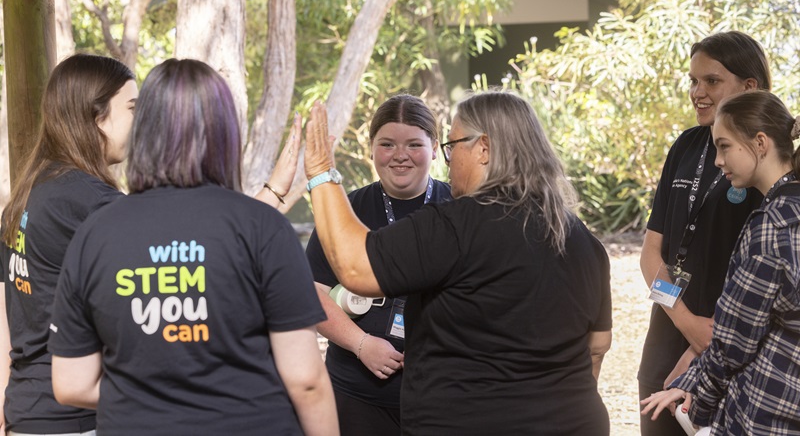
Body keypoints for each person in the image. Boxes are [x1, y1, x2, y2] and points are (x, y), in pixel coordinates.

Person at [47, 59, 337, 435]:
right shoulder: (264, 229)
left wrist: (149, 396)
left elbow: (72, 384)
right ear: (225, 132)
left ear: (144, 132)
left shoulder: (95, 233)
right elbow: (307, 381)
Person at [303, 89, 612, 435]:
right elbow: (598, 347)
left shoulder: (457, 223)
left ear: (483, 148)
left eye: (451, 146)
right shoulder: (580, 237)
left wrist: (321, 173)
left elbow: (355, 268)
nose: (449, 162)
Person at [641, 90, 800, 435]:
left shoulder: (766, 218)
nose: (698, 92)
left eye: (711, 80)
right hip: (677, 322)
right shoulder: (683, 148)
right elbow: (650, 255)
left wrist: (701, 369)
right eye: (693, 80)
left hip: (735, 368)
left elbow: (739, 333)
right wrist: (683, 319)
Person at [0, 54, 137, 436]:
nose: (139, 122)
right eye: (131, 109)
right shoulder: (90, 201)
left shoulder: (29, 192)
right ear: (97, 118)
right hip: (75, 418)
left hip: (29, 409)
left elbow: (4, 304)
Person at [306, 94, 451, 435]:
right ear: (371, 148)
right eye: (387, 144)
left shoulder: (460, 207)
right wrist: (360, 343)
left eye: (414, 144)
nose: (400, 155)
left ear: (434, 147)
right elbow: (310, 293)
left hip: (445, 399)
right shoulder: (345, 209)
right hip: (358, 396)